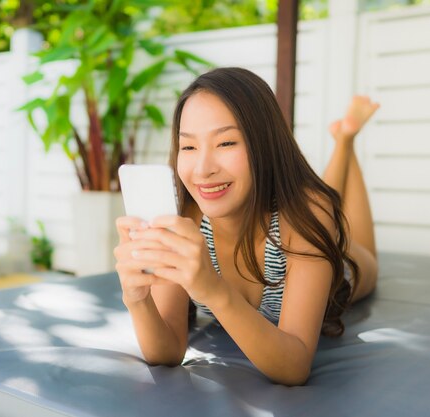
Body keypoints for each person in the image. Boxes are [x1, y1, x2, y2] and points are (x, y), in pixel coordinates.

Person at [114, 67, 379, 386]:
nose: (203, 169)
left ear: (263, 143)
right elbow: (166, 352)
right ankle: (344, 138)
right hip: (308, 223)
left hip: (342, 270)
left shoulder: (305, 216)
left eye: (226, 143)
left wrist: (212, 288)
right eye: (189, 147)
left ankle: (345, 140)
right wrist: (137, 299)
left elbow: (293, 367)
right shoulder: (185, 215)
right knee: (322, 206)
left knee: (327, 212)